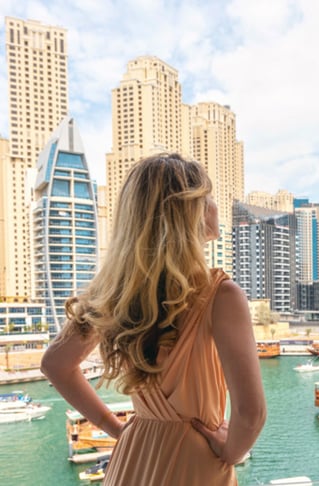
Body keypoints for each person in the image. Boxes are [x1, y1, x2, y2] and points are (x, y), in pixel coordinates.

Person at [41, 154, 266, 485]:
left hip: (134, 457)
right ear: (190, 212)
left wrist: (116, 428)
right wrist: (231, 452)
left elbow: (55, 365)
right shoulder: (221, 295)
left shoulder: (116, 292)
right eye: (209, 196)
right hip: (195, 464)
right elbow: (251, 414)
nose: (215, 206)